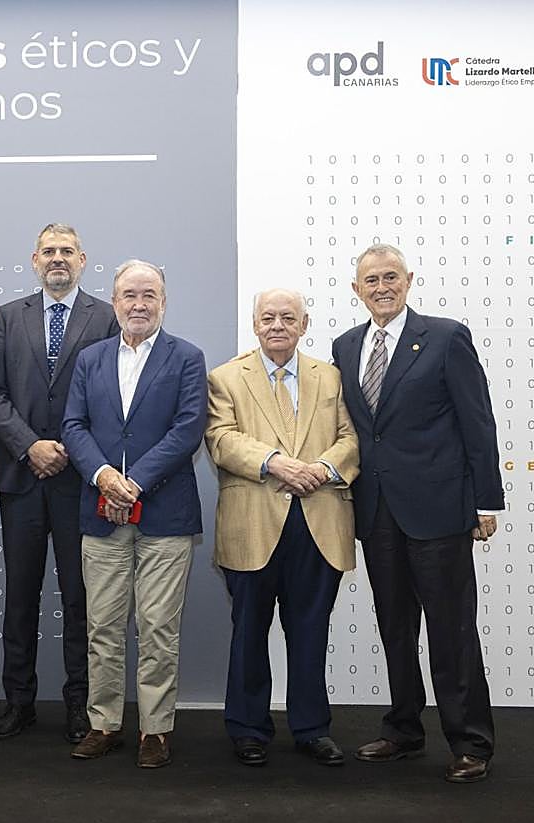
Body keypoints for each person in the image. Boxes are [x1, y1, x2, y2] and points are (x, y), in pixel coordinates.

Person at [331, 243, 503, 783]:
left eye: (391, 277)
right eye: (370, 280)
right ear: (356, 290)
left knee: (451, 630)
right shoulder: (345, 346)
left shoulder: (447, 337)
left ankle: (470, 740)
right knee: (394, 628)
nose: (381, 287)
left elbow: (478, 421)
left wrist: (485, 502)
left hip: (439, 511)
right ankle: (404, 729)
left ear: (409, 281)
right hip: (377, 513)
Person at [61, 259, 206, 769]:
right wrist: (103, 476)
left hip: (164, 514)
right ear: (114, 300)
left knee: (158, 626)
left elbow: (188, 429)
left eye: (149, 295)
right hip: (100, 512)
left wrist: (135, 481)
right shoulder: (91, 358)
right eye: (129, 295)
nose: (138, 304)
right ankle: (103, 723)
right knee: (102, 626)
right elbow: (73, 425)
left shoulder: (187, 357)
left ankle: (155, 730)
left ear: (163, 302)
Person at [205, 288, 359, 768]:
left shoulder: (331, 377)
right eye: (268, 317)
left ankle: (312, 729)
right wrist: (275, 464)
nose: (277, 325)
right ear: (254, 324)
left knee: (311, 632)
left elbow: (350, 438)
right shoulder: (225, 378)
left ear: (304, 324)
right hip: (252, 525)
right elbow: (221, 439)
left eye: (288, 317)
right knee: (249, 632)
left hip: (319, 523)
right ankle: (249, 729)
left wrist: (323, 468)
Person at [0, 222, 117, 743]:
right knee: (20, 596)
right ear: (34, 261)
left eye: (67, 252)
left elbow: (108, 395)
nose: (57, 259)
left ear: (83, 260)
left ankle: (81, 704)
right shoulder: (7, 317)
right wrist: (28, 445)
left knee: (81, 599)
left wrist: (67, 450)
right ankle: (19, 702)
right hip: (22, 476)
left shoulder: (106, 317)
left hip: (81, 481)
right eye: (49, 252)